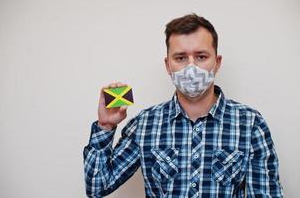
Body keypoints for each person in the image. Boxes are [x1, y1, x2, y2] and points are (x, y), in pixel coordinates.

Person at [83, 13, 284, 197]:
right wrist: (105, 126)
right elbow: (97, 187)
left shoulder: (250, 124)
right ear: (168, 65)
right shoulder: (145, 124)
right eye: (180, 58)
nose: (191, 67)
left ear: (217, 62)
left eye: (201, 56)